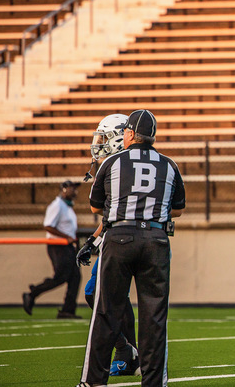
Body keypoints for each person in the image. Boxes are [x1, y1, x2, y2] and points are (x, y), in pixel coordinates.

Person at [77, 109, 185, 387]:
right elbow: (178, 210)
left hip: (119, 238)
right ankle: (153, 383)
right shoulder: (169, 165)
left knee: (105, 312)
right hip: (156, 241)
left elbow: (96, 206)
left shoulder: (112, 162)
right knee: (154, 318)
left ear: (128, 134)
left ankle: (93, 382)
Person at [76, 113, 140, 377]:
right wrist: (92, 241)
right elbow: (111, 214)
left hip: (125, 238)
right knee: (115, 298)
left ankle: (127, 351)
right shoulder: (124, 163)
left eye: (103, 137)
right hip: (121, 235)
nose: (98, 143)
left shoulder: (117, 165)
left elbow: (102, 207)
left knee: (96, 293)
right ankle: (129, 354)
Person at [23, 179, 82, 319]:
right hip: (57, 245)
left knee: (75, 277)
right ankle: (32, 294)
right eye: (72, 188)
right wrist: (66, 236)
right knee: (61, 276)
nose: (75, 191)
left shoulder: (67, 207)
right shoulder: (57, 206)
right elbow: (48, 225)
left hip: (67, 246)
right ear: (64, 189)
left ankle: (68, 310)